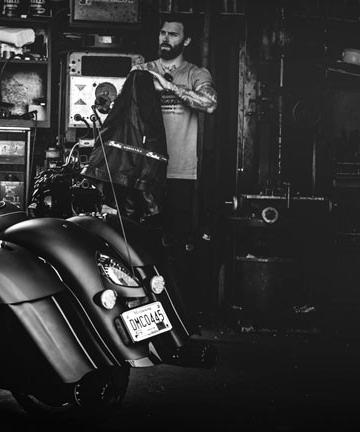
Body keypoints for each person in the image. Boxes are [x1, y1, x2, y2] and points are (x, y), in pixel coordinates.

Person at [132, 13, 217, 307]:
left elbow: (210, 103)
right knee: (142, 242)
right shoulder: (143, 71)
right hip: (145, 172)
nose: (165, 39)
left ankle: (176, 308)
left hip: (180, 171)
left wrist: (169, 87)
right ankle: (143, 307)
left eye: (173, 34)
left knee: (177, 244)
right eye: (163, 33)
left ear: (186, 40)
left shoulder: (195, 73)